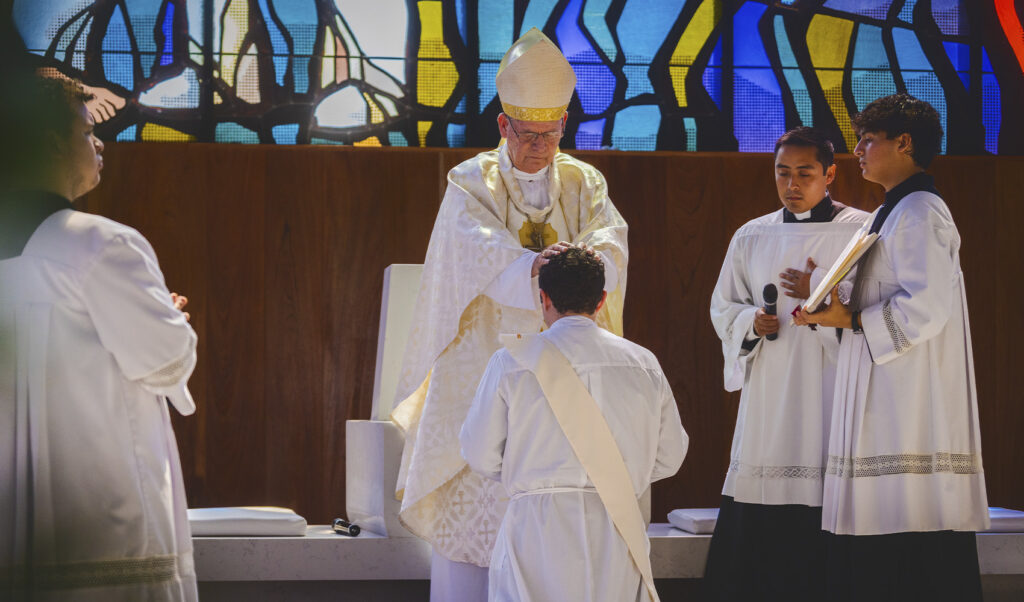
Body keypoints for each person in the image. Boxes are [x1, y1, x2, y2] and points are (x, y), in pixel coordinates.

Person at [390, 28, 628, 601]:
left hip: (564, 366)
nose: (540, 146)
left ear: (564, 127)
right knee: (475, 503)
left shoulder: (583, 181)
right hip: (484, 364)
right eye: (528, 135)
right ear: (503, 125)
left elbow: (612, 246)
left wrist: (574, 263)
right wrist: (534, 267)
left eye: (550, 134)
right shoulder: (470, 182)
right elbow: (467, 254)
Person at [0, 74, 198, 600]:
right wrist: (173, 319)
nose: (99, 143)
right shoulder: (100, 243)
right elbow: (165, 364)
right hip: (103, 526)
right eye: (87, 130)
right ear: (50, 144)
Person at [796, 94, 988, 601]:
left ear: (904, 143)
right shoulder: (893, 209)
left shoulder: (921, 211)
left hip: (908, 397)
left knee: (907, 534)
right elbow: (883, 288)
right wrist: (828, 293)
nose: (856, 150)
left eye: (867, 139)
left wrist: (849, 315)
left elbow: (925, 308)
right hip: (886, 383)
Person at [460, 246, 686, 602]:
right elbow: (670, 455)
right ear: (601, 300)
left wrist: (533, 473)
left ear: (543, 297)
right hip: (616, 525)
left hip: (536, 528)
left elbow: (479, 453)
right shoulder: (642, 363)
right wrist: (616, 475)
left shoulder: (511, 362)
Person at [705, 127, 869, 601]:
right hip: (772, 384)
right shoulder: (752, 235)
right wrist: (751, 322)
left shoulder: (858, 229)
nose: (792, 184)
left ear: (830, 173)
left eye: (804, 173)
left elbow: (871, 304)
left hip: (832, 376)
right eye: (782, 172)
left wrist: (820, 292)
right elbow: (723, 306)